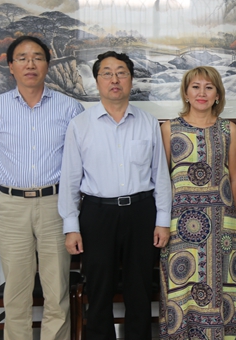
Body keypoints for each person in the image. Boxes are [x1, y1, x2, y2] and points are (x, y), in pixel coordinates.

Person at [0, 35, 84, 340]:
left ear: (47, 64)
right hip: (10, 207)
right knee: (16, 292)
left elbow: (80, 167)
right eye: (22, 58)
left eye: (37, 57)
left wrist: (74, 215)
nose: (30, 64)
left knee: (57, 290)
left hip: (56, 205)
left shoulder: (70, 108)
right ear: (11, 66)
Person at [58, 51, 172, 340]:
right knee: (98, 290)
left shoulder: (148, 122)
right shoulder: (80, 124)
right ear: (97, 80)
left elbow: (160, 175)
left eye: (121, 73)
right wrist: (71, 226)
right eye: (107, 73)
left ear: (131, 80)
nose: (114, 79)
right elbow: (70, 180)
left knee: (139, 290)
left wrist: (162, 221)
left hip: (141, 212)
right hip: (97, 214)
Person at [159, 66, 236, 339]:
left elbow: (234, 178)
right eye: (195, 87)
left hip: (222, 226)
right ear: (186, 93)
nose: (202, 93)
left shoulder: (229, 129)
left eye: (208, 87)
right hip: (179, 226)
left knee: (221, 288)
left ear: (218, 94)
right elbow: (162, 180)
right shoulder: (169, 128)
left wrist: (234, 222)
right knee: (182, 285)